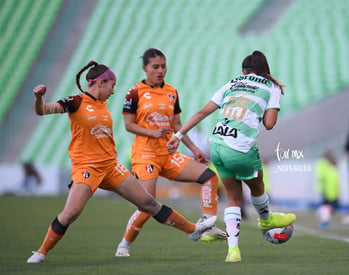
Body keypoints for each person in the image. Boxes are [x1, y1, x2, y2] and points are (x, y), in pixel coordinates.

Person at [26, 61, 216, 264]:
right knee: (70, 213)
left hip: (111, 166)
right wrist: (39, 98)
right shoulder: (75, 102)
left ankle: (194, 231)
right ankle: (41, 252)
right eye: (111, 85)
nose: (113, 90)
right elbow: (42, 110)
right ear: (100, 83)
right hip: (87, 168)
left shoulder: (102, 104)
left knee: (149, 203)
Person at [167, 50, 296, 262]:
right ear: (265, 69)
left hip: (217, 144)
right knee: (257, 187)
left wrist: (179, 135)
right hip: (240, 147)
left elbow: (201, 112)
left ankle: (233, 251)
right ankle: (265, 220)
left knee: (233, 197)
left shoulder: (233, 82)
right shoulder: (270, 86)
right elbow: (270, 124)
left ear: (244, 71)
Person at [115, 48, 225, 257]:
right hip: (145, 155)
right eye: (155, 67)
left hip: (169, 154)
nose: (160, 70)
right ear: (144, 68)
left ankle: (207, 226)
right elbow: (128, 125)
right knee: (148, 202)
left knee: (209, 177)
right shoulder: (135, 92)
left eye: (163, 66)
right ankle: (124, 245)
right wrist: (152, 132)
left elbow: (177, 125)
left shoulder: (172, 92)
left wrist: (194, 149)